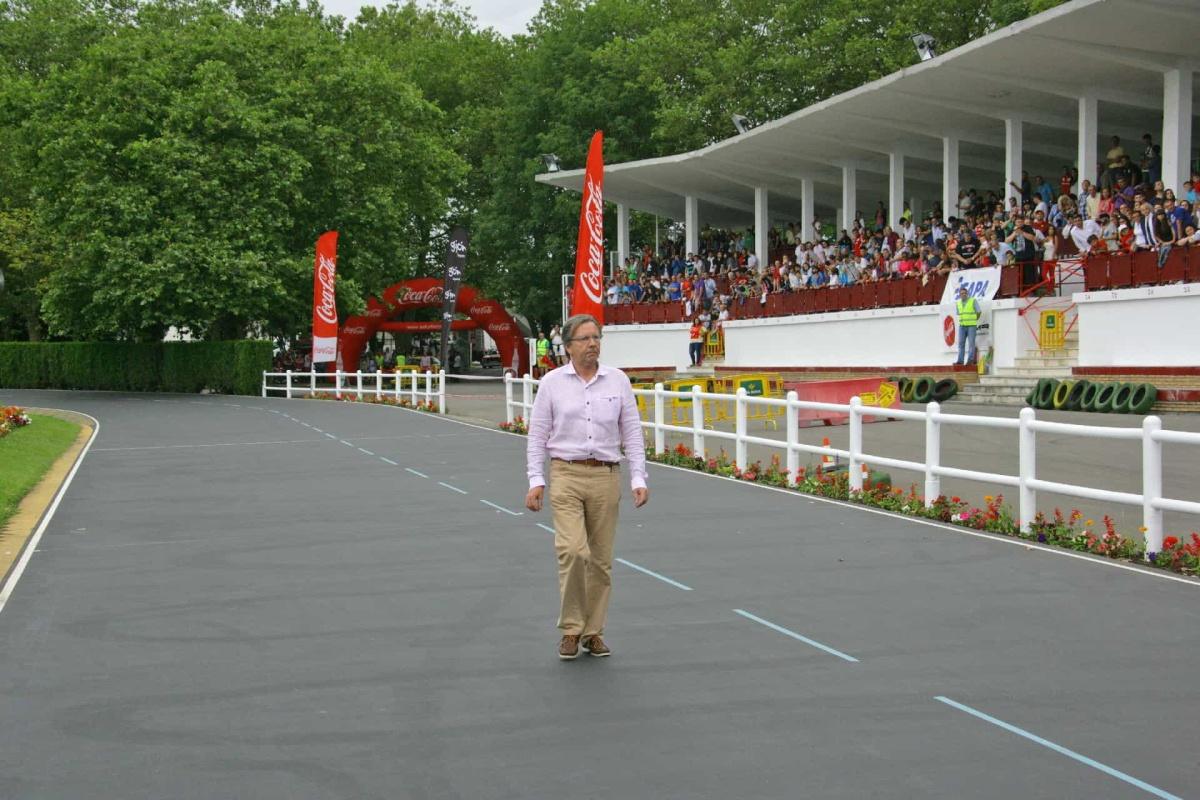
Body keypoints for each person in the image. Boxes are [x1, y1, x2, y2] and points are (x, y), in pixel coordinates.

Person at [524, 314, 649, 661]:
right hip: (566, 473)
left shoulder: (618, 381)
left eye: (597, 337)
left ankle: (593, 631)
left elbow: (632, 433)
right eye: (585, 339)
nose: (593, 343)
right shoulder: (551, 384)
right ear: (568, 347)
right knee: (573, 552)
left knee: (600, 560)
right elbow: (537, 436)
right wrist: (537, 480)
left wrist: (638, 477)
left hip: (606, 476)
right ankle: (570, 629)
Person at [954, 286, 981, 367]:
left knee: (971, 344)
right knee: (961, 344)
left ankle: (970, 361)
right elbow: (959, 314)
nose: (963, 295)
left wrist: (975, 319)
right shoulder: (958, 303)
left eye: (965, 293)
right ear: (959, 295)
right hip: (962, 326)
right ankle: (960, 361)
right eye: (961, 293)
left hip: (971, 326)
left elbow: (979, 311)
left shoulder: (973, 301)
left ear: (967, 294)